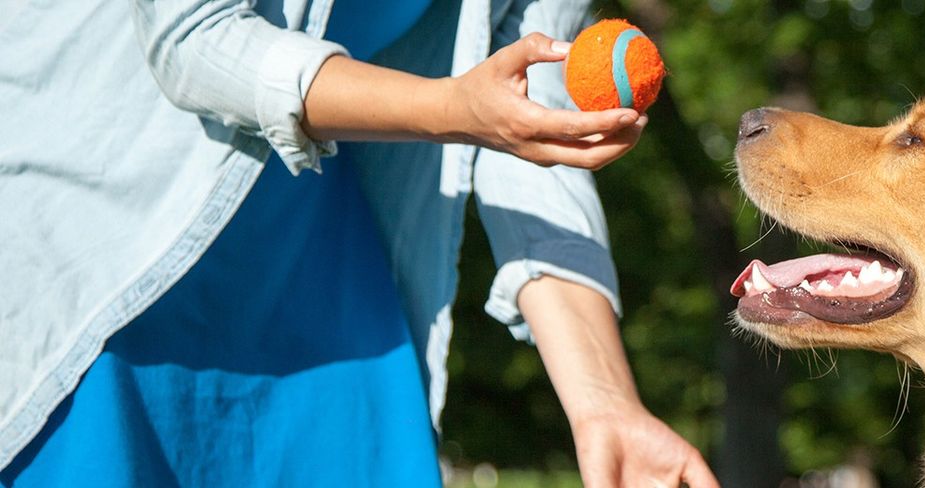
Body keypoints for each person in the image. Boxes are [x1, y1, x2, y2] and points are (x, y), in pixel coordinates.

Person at [0, 0, 717, 486]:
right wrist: (452, 111)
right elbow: (191, 37)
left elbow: (537, 129)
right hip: (108, 256)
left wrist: (606, 404)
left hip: (318, 269)